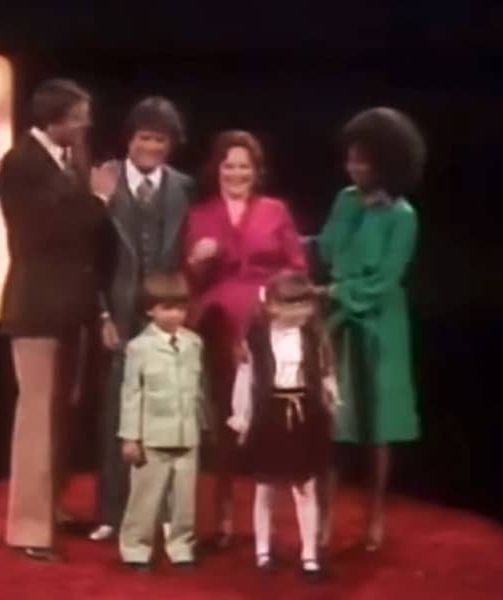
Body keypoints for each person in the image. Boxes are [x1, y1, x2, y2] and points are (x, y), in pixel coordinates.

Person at [0, 78, 119, 562]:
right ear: (54, 119)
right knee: (37, 416)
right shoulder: (22, 163)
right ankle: (28, 529)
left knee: (61, 414)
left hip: (72, 307)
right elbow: (43, 231)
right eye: (78, 115)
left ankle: (50, 506)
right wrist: (99, 198)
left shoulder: (72, 158)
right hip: (37, 306)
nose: (86, 123)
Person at [183, 130, 306, 548]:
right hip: (217, 327)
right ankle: (221, 518)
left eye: (244, 167)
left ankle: (267, 526)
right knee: (222, 424)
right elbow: (186, 281)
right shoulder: (200, 214)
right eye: (229, 165)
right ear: (217, 169)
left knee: (267, 424)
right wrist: (196, 261)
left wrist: (271, 298)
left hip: (266, 326)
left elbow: (297, 268)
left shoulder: (276, 211)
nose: (236, 173)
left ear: (256, 172)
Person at [316, 107, 426, 552]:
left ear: (388, 163)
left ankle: (375, 514)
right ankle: (322, 518)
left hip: (379, 324)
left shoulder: (403, 215)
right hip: (338, 318)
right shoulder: (345, 200)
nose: (354, 168)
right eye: (351, 160)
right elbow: (325, 247)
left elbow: (385, 279)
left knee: (377, 425)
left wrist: (337, 292)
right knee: (333, 426)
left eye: (364, 161)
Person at [89, 96, 196, 542]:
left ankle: (167, 513)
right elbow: (87, 256)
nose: (151, 146)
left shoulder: (184, 187)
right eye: (144, 137)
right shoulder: (104, 182)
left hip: (167, 315)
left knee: (167, 416)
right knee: (119, 414)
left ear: (170, 145)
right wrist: (101, 314)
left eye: (160, 139)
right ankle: (113, 513)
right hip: (118, 313)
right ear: (129, 139)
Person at [227, 271, 339, 581]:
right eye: (294, 304)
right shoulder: (257, 340)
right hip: (270, 415)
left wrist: (331, 402)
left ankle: (309, 554)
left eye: (307, 304)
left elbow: (326, 374)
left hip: (305, 416)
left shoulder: (314, 337)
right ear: (273, 306)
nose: (302, 311)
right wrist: (243, 419)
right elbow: (245, 380)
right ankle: (263, 549)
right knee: (266, 488)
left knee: (306, 487)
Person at [117, 272, 207, 571]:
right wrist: (130, 437)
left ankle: (181, 546)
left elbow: (200, 390)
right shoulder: (139, 348)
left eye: (181, 308)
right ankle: (136, 548)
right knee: (145, 497)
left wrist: (205, 425)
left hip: (187, 434)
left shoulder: (194, 343)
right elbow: (131, 394)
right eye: (167, 308)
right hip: (152, 436)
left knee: (184, 500)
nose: (175, 315)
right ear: (150, 310)